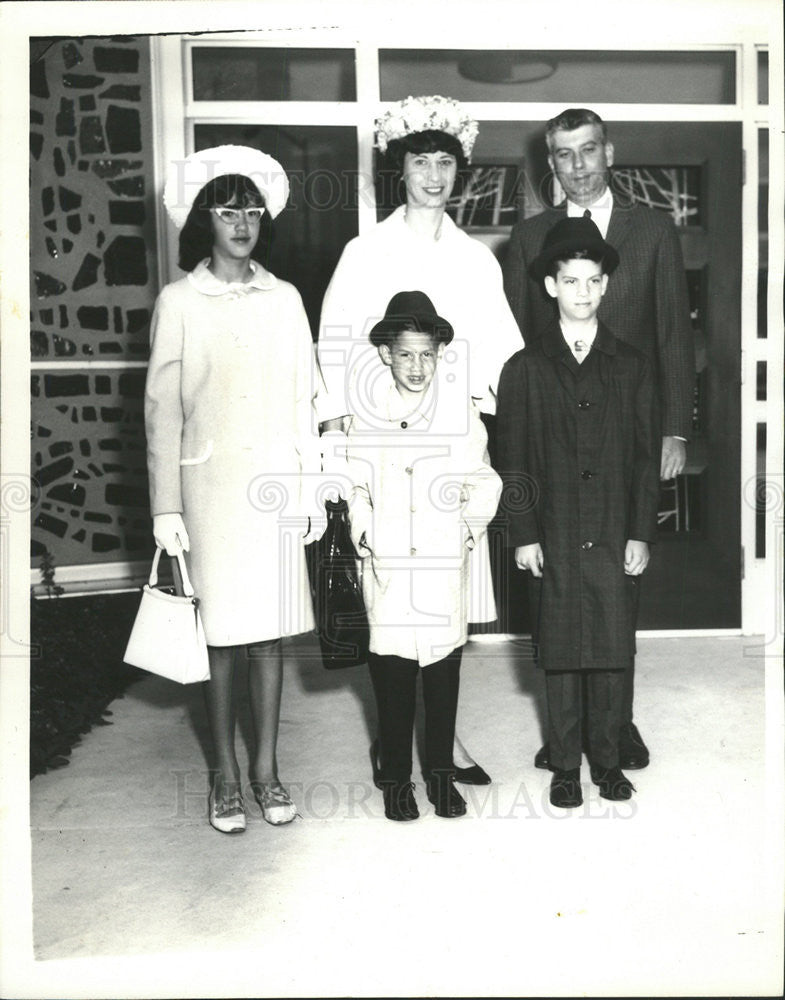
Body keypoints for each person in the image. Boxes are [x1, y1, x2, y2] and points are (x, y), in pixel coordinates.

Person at [318, 94, 522, 784]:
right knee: (387, 608)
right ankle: (391, 743)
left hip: (445, 453)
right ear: (397, 170)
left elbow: (499, 352)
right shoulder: (364, 252)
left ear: (456, 171)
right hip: (381, 453)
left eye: (443, 163)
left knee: (441, 610)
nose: (432, 176)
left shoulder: (472, 259)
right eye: (419, 162)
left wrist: (485, 422)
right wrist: (341, 427)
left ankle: (444, 742)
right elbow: (334, 345)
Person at [503, 108, 694, 770]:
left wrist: (673, 427)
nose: (577, 165)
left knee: (617, 580)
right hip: (558, 437)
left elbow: (672, 332)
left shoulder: (650, 230)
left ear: (607, 152)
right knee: (558, 583)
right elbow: (527, 344)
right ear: (548, 163)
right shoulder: (528, 238)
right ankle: (565, 727)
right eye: (563, 155)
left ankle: (616, 722)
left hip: (627, 434)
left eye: (587, 151)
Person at [146, 145, 322, 833]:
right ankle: (223, 776)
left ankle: (267, 772)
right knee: (220, 640)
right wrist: (166, 506)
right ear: (204, 220)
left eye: (251, 209)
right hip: (209, 493)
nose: (241, 222)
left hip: (273, 489)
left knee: (269, 638)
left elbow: (304, 398)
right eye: (227, 209)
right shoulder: (179, 301)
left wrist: (308, 489)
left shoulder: (286, 300)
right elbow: (163, 410)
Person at [497, 216, 660, 808]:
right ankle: (566, 763)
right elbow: (512, 461)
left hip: (616, 529)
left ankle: (609, 759)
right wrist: (524, 533)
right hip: (556, 530)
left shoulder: (632, 365)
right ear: (550, 286)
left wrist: (641, 532)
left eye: (594, 281)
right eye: (571, 281)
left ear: (606, 286)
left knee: (614, 644)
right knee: (560, 646)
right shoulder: (525, 368)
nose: (583, 293)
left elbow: (645, 458)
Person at [341, 290, 501, 820]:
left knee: (440, 678)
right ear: (386, 354)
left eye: (427, 355)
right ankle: (394, 778)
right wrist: (364, 533)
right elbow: (355, 488)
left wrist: (467, 529)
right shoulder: (365, 418)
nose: (417, 366)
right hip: (386, 565)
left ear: (439, 356)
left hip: (438, 565)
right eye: (406, 354)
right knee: (392, 679)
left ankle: (440, 774)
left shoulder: (459, 414)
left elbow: (485, 479)